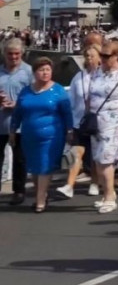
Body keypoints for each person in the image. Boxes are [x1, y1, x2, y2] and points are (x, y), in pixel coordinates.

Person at [9, 57, 73, 211]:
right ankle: (42, 194)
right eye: (41, 70)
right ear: (34, 72)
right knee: (34, 167)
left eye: (48, 70)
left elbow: (67, 114)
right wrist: (12, 130)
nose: (45, 73)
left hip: (52, 136)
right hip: (29, 135)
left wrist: (69, 131)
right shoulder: (26, 91)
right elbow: (17, 113)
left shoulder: (58, 91)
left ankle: (39, 200)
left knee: (45, 166)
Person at [88, 38, 118, 214]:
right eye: (101, 54)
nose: (102, 58)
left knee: (105, 159)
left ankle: (109, 195)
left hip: (114, 121)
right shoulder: (97, 72)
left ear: (117, 56)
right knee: (97, 159)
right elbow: (90, 95)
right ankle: (107, 194)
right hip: (96, 122)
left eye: (106, 55)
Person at [57, 45, 101, 199]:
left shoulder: (103, 76)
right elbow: (71, 102)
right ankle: (69, 185)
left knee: (95, 155)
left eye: (92, 55)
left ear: (99, 57)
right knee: (76, 153)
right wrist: (69, 126)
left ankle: (95, 182)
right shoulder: (78, 77)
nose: (89, 59)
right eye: (87, 55)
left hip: (97, 122)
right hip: (79, 122)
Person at [0, 38, 32, 206]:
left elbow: (35, 96)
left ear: (22, 54)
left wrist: (17, 104)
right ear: (4, 54)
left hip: (20, 123)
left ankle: (18, 190)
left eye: (17, 54)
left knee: (20, 159)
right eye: (10, 54)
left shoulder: (28, 72)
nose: (13, 57)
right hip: (1, 121)